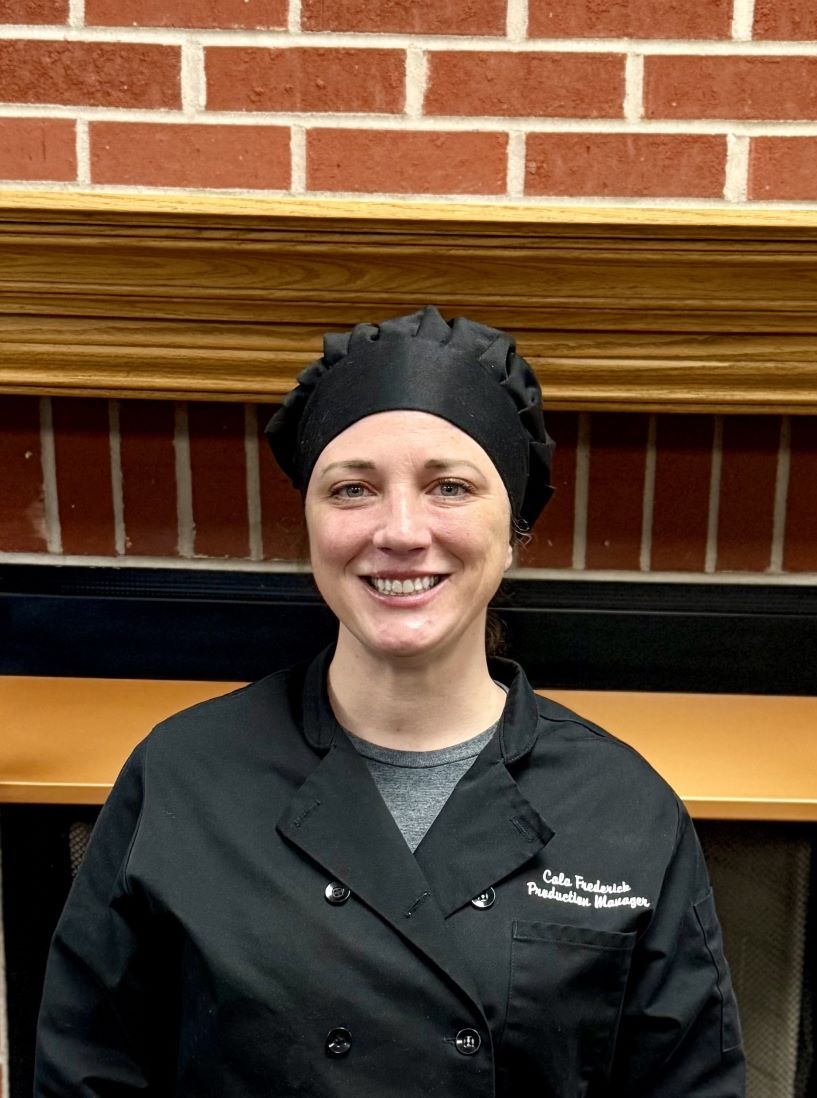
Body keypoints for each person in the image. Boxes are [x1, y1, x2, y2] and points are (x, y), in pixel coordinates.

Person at [35, 306, 744, 1096]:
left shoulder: (625, 807)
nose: (401, 531)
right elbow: (84, 1074)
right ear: (310, 526)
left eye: (450, 487)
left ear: (514, 531)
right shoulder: (182, 775)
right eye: (353, 489)